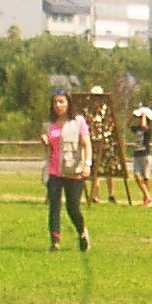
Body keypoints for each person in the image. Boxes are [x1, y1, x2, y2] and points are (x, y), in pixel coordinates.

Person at [43, 91, 92, 252]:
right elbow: (50, 148)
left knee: (73, 208)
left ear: (68, 103)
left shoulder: (78, 122)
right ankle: (55, 241)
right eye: (55, 102)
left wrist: (87, 164)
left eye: (61, 101)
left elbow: (86, 144)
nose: (58, 105)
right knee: (54, 207)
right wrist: (45, 141)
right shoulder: (49, 124)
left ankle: (82, 231)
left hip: (73, 171)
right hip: (55, 172)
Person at [129, 105, 152, 207]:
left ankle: (146, 199)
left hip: (145, 155)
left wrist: (144, 114)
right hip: (137, 155)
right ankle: (149, 197)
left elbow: (144, 126)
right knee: (137, 176)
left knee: (146, 178)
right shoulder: (137, 129)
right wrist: (133, 116)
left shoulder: (148, 129)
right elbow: (128, 125)